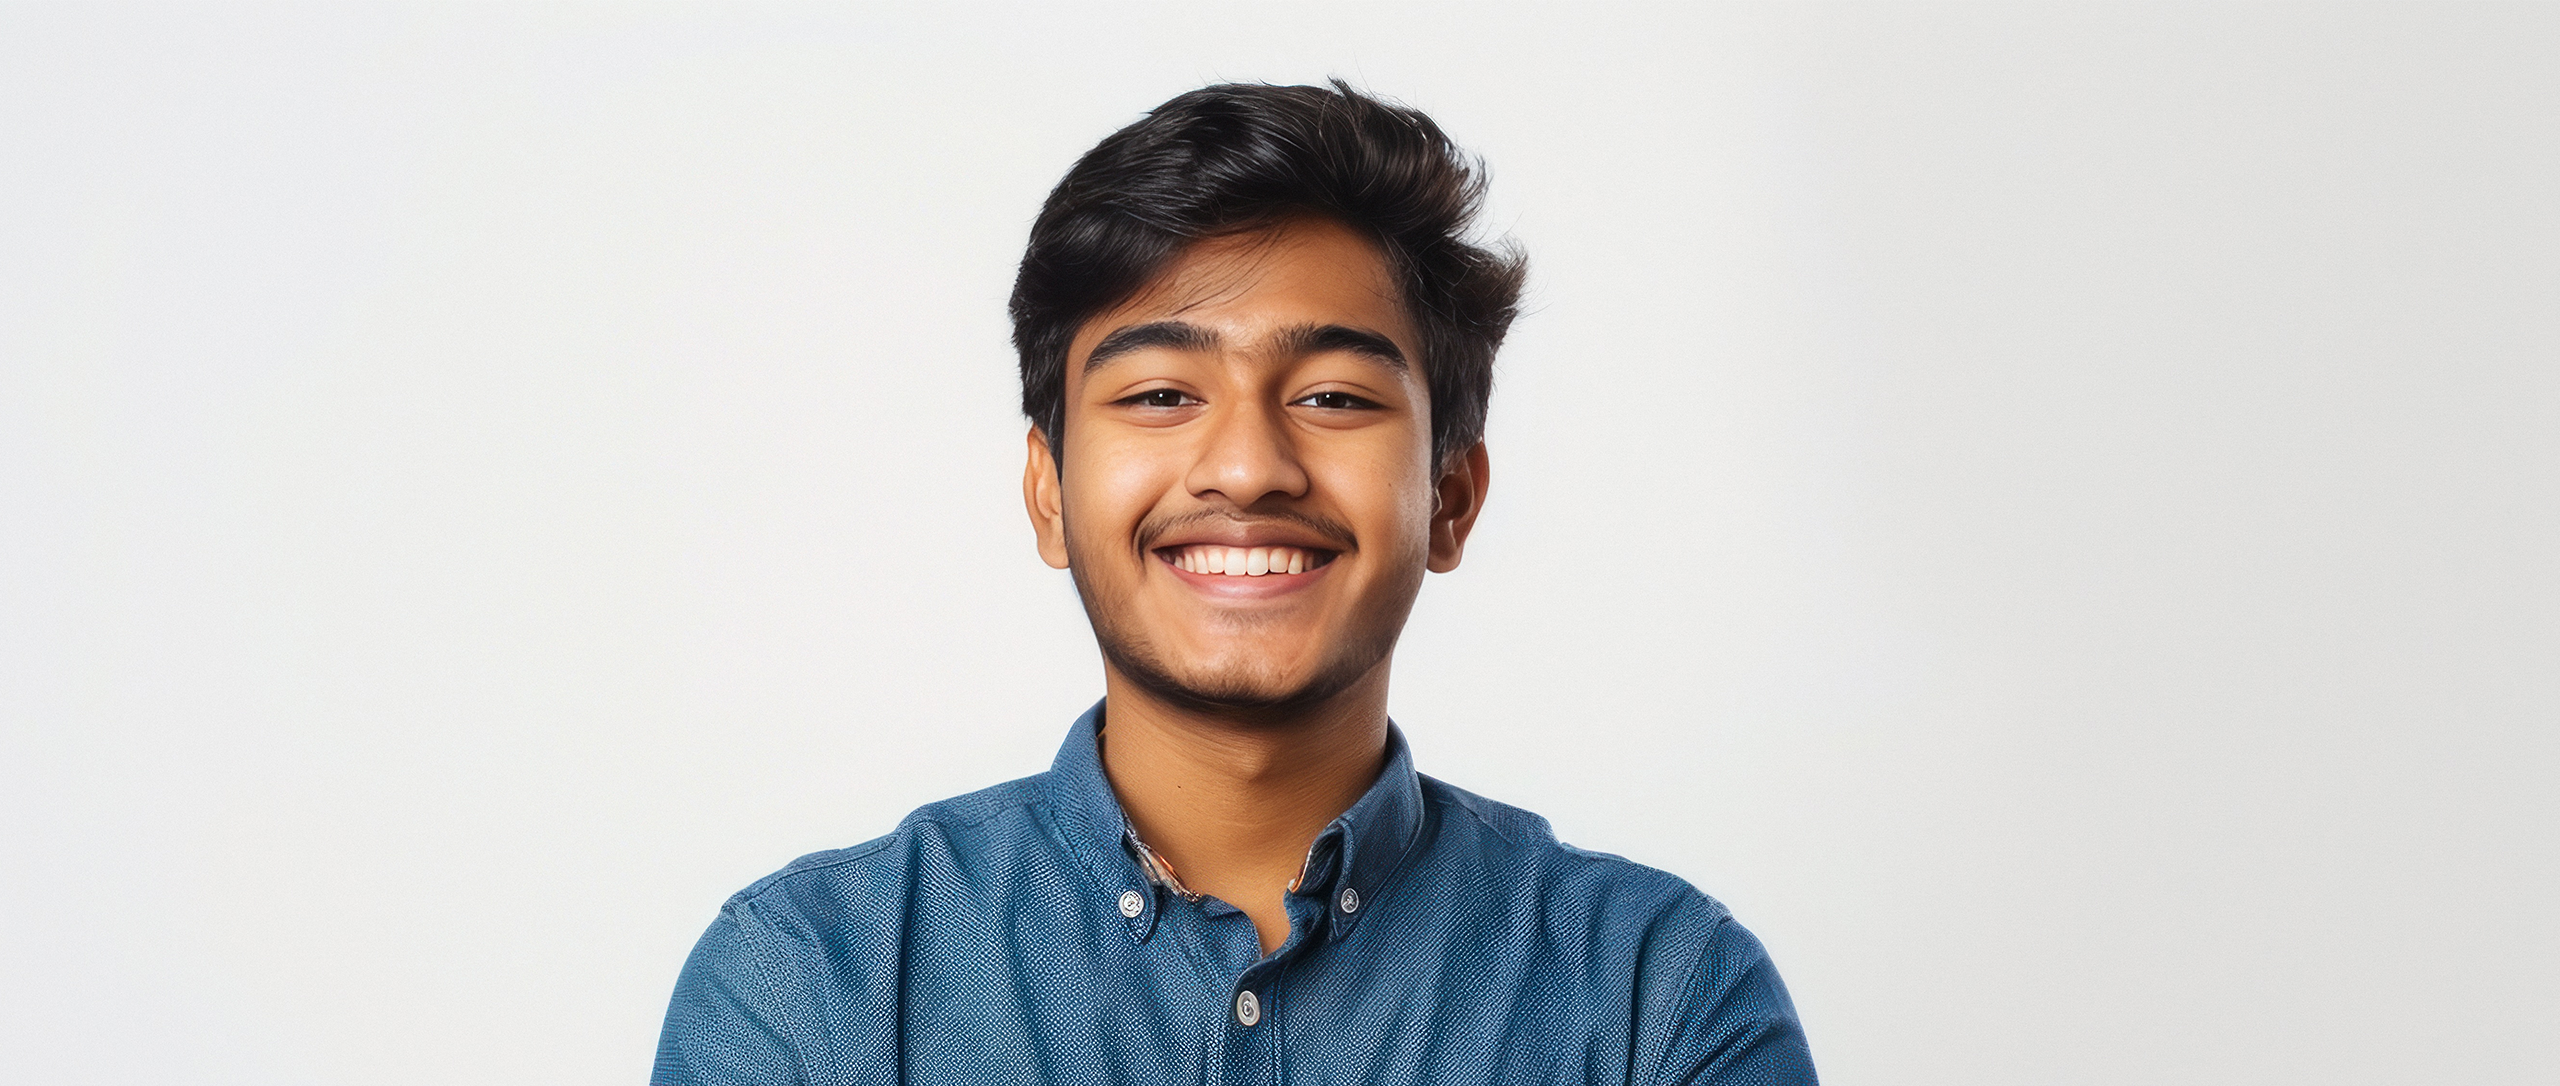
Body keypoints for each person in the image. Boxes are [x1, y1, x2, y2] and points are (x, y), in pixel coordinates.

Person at [654, 80, 1817, 1086]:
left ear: (1450, 497)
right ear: (1050, 494)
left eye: (1333, 397)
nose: (1249, 467)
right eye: (1161, 394)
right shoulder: (809, 983)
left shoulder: (1655, 998)